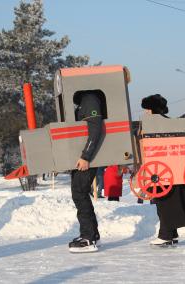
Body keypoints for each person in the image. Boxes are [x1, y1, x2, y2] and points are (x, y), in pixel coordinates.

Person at [141, 94, 185, 247]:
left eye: (147, 110)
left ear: (153, 110)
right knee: (169, 203)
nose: (145, 113)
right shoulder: (168, 123)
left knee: (166, 204)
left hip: (166, 172)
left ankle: (166, 235)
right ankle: (172, 233)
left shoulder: (157, 124)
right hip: (170, 170)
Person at [68, 91, 104, 253]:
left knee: (80, 193)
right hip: (83, 157)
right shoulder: (83, 101)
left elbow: (95, 127)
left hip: (88, 159)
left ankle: (88, 238)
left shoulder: (89, 99)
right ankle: (93, 235)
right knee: (79, 193)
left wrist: (86, 156)